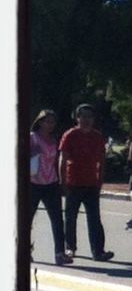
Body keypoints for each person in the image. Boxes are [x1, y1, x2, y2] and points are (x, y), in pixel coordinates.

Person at [58, 104, 114, 262]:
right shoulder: (70, 135)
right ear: (77, 118)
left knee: (94, 218)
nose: (86, 120)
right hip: (73, 183)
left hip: (91, 184)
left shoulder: (97, 137)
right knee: (70, 217)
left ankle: (98, 251)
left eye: (89, 116)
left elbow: (102, 161)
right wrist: (62, 182)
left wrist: (100, 181)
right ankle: (70, 248)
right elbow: (62, 159)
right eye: (83, 116)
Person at [30, 109, 72, 265]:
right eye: (47, 121)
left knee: (57, 220)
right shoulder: (32, 138)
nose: (50, 125)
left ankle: (59, 254)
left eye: (53, 122)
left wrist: (62, 181)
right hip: (33, 183)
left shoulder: (54, 140)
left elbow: (56, 161)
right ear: (40, 122)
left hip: (51, 183)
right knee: (27, 220)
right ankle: (24, 250)